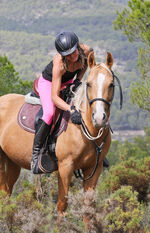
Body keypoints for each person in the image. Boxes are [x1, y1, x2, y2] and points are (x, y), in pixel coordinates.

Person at [30, 31, 91, 174]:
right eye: (68, 55)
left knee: (88, 103)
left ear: (78, 46)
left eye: (73, 52)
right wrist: (71, 109)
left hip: (68, 81)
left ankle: (92, 148)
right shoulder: (60, 64)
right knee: (49, 113)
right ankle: (36, 155)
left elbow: (85, 64)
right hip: (49, 83)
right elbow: (55, 97)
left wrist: (78, 80)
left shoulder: (86, 50)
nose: (72, 56)